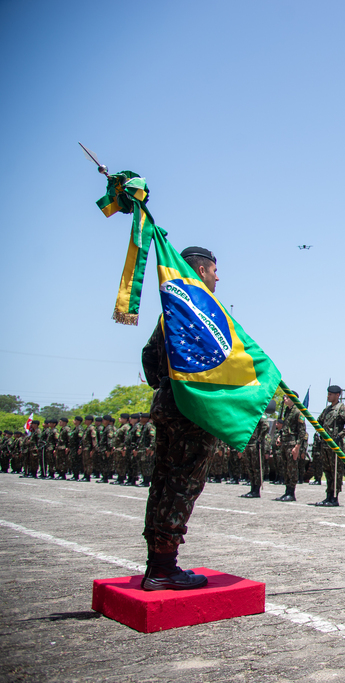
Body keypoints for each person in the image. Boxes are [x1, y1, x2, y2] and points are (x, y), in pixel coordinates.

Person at [140, 245, 222, 591]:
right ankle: (163, 569)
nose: (218, 277)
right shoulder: (201, 312)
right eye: (215, 270)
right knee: (181, 486)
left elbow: (149, 356)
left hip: (167, 403)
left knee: (162, 482)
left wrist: (165, 384)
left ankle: (157, 563)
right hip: (191, 410)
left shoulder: (170, 311)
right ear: (201, 271)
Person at [313, 385, 345, 507]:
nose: (328, 396)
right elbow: (318, 421)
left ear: (337, 395)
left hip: (335, 445)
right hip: (325, 445)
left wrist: (340, 435)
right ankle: (328, 495)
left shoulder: (341, 408)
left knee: (336, 471)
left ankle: (334, 497)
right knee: (327, 471)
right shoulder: (327, 410)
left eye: (331, 394)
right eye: (328, 394)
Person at [273, 395, 307, 502]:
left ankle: (291, 493)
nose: (284, 399)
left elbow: (302, 431)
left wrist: (297, 447)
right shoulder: (287, 411)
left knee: (292, 469)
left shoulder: (298, 412)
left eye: (287, 397)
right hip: (285, 443)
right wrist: (280, 437)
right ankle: (287, 491)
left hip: (292, 443)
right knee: (286, 468)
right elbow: (285, 427)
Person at [240, 401, 273, 498]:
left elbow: (266, 426)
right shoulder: (250, 415)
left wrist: (259, 439)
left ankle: (256, 490)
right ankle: (252, 488)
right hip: (249, 443)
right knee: (250, 467)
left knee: (256, 467)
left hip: (256, 444)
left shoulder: (261, 413)